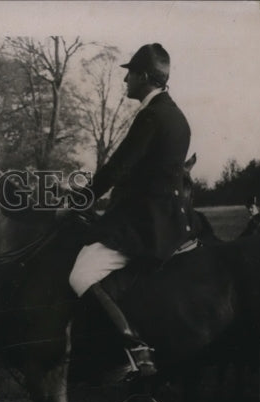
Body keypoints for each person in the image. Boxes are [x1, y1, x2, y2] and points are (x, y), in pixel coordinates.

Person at [67, 43, 192, 380]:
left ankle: (132, 350)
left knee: (80, 275)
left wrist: (81, 199)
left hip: (145, 225)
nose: (125, 80)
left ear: (145, 77)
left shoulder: (152, 116)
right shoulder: (176, 115)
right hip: (169, 220)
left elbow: (118, 168)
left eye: (130, 74)